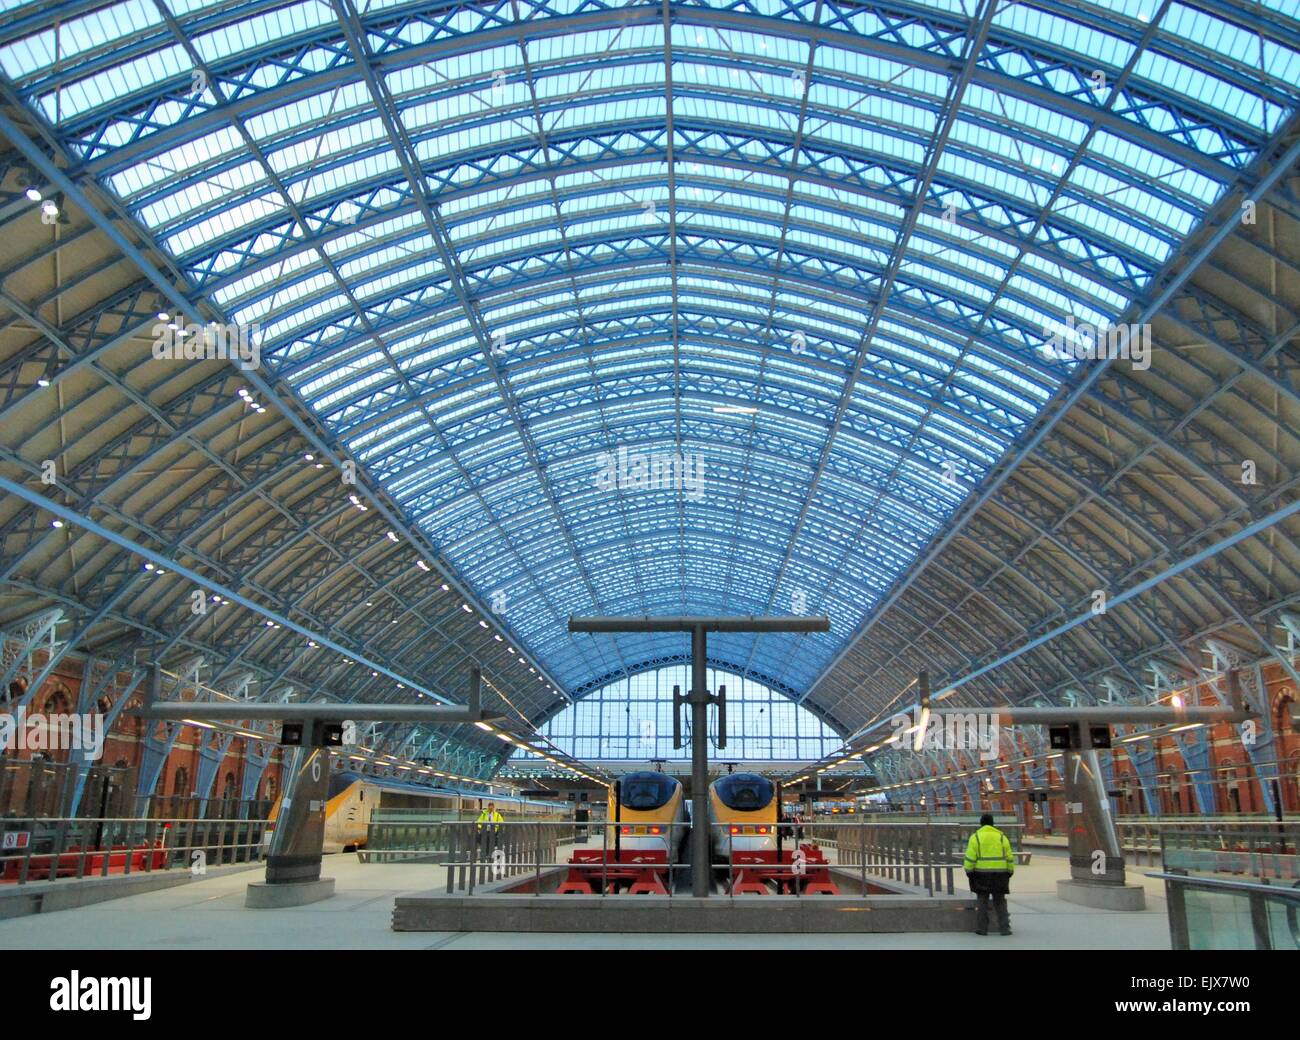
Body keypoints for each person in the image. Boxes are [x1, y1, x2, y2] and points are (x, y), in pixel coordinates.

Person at [963, 812, 1015, 936]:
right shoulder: (1002, 837)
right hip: (1001, 874)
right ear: (993, 824)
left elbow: (970, 857)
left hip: (981, 874)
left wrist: (968, 870)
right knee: (1000, 901)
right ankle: (1004, 928)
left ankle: (982, 929)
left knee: (982, 901)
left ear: (981, 824)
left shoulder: (975, 837)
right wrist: (1010, 870)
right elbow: (1009, 857)